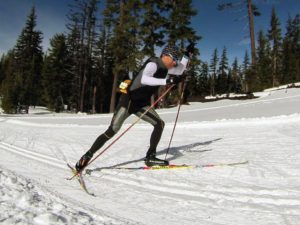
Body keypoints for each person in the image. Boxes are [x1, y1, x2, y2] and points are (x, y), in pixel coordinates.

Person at [75, 43, 195, 172]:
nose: (175, 63)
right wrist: (167, 81)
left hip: (141, 104)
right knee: (112, 130)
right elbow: (145, 79)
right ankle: (86, 156)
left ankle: (150, 156)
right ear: (165, 56)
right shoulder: (153, 63)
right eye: (174, 59)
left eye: (176, 60)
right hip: (128, 101)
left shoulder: (166, 68)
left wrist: (186, 55)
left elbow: (180, 70)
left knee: (159, 124)